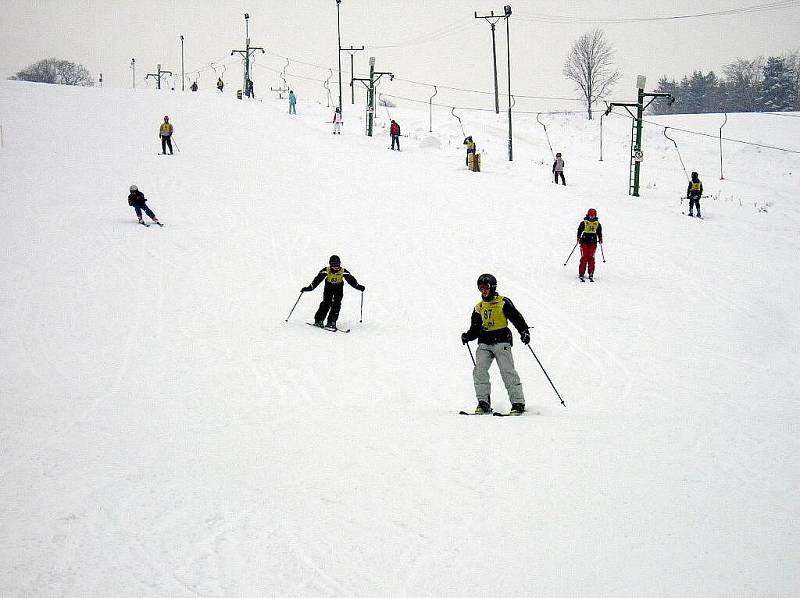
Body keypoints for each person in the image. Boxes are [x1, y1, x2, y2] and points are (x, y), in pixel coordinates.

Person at [461, 274, 530, 415]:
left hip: (501, 341)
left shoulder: (502, 302)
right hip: (485, 343)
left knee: (507, 371)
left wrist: (524, 331)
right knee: (479, 371)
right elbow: (475, 328)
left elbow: (516, 317)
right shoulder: (479, 307)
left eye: (486, 287)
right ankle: (483, 402)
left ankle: (518, 403)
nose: (484, 291)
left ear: (492, 287)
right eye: (481, 288)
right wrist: (468, 336)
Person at [301, 255, 364, 329]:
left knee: (336, 304)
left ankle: (331, 321)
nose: (335, 267)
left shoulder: (343, 272)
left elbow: (351, 280)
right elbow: (317, 280)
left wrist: (358, 287)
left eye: (337, 265)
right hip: (328, 288)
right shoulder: (326, 270)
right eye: (333, 265)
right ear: (330, 264)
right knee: (326, 303)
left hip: (338, 288)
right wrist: (309, 288)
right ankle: (319, 320)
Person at [577, 208, 603, 282]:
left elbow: (599, 232)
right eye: (591, 216)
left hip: (593, 242)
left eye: (593, 216)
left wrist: (600, 238)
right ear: (588, 215)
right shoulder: (584, 222)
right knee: (584, 257)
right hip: (584, 241)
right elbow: (579, 230)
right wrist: (578, 237)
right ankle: (581, 273)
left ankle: (591, 273)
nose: (592, 217)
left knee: (591, 257)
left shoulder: (597, 224)